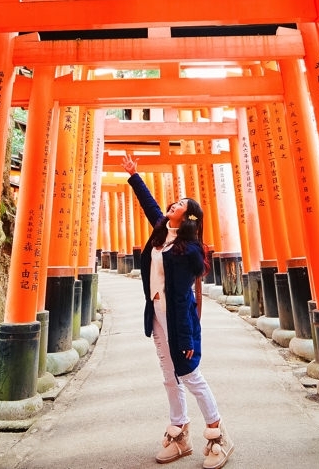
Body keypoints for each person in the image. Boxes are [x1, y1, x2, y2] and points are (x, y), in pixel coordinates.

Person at [122, 154, 235, 468]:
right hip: (156, 315)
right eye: (175, 203)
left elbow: (184, 298)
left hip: (177, 321)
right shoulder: (161, 234)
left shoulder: (188, 250)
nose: (174, 205)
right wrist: (135, 176)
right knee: (169, 378)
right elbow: (152, 207)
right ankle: (180, 432)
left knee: (191, 376)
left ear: (189, 218)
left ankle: (217, 434)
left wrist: (185, 341)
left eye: (181, 204)